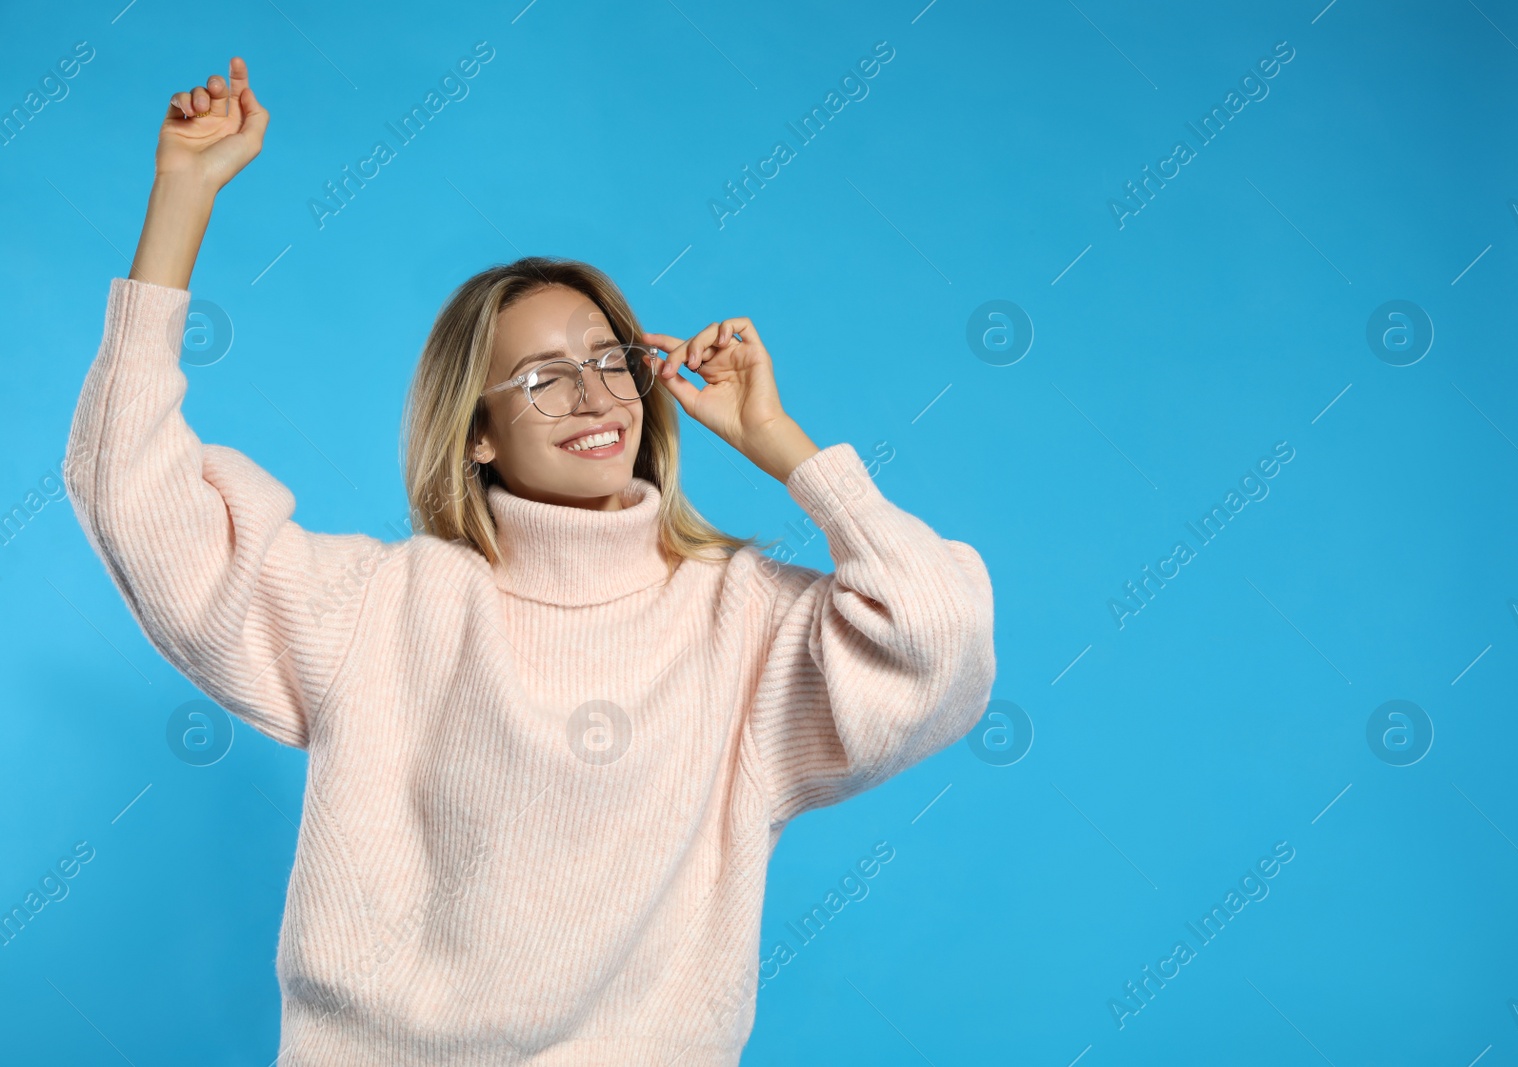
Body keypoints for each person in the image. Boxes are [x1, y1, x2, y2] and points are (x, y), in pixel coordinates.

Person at [63, 56, 997, 1065]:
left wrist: (783, 445)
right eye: (544, 378)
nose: (596, 398)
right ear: (478, 434)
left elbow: (936, 636)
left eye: (609, 361)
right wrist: (183, 194)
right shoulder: (383, 607)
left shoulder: (743, 623)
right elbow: (132, 493)